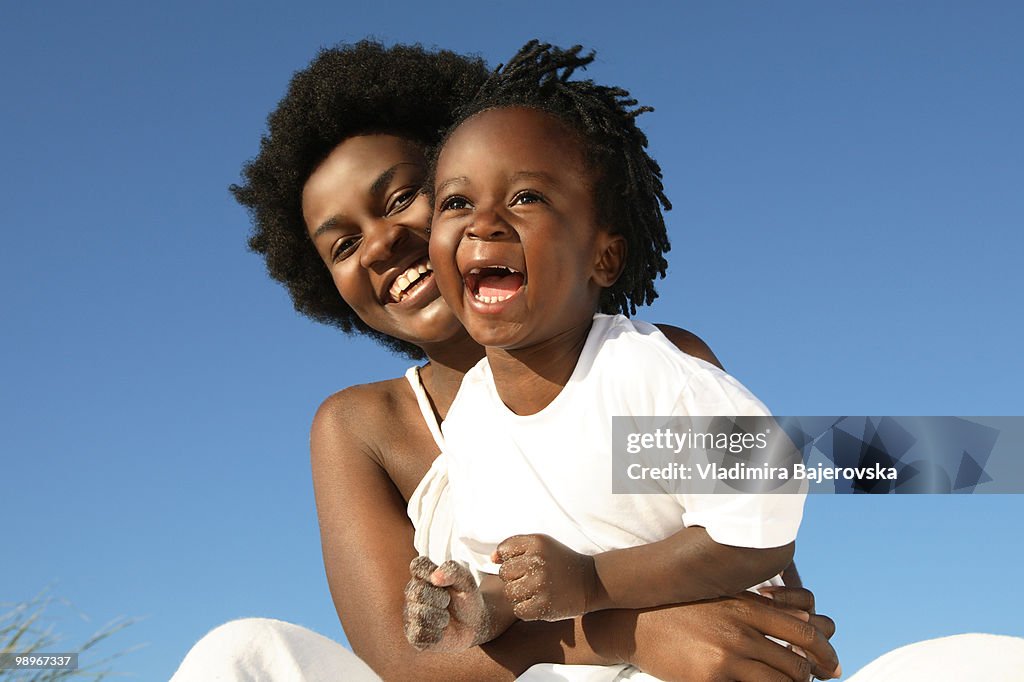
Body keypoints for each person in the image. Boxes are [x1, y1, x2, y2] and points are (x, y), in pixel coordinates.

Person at [191, 39, 840, 682]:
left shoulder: (651, 366)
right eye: (344, 244)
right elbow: (402, 655)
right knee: (243, 653)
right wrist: (632, 630)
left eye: (401, 198)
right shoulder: (363, 426)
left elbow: (758, 548)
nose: (383, 243)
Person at [403, 42, 805, 661]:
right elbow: (516, 587)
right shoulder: (473, 419)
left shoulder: (641, 377)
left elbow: (765, 513)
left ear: (604, 257)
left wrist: (593, 581)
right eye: (455, 203)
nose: (483, 222)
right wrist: (476, 602)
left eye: (525, 197)